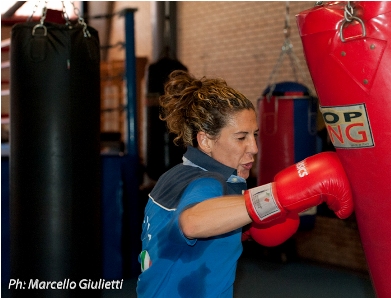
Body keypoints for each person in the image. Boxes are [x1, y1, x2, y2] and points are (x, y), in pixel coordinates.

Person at [137, 70, 353, 297]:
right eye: (241, 138)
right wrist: (277, 196)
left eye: (255, 135)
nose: (254, 148)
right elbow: (192, 222)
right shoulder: (207, 182)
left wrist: (242, 230)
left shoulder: (175, 175)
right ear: (205, 140)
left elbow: (175, 238)